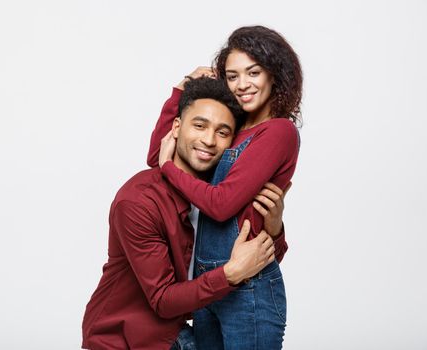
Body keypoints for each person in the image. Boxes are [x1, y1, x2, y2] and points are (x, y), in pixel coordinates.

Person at [82, 77, 287, 350]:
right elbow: (163, 300)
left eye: (223, 132)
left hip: (177, 332)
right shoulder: (139, 201)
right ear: (177, 127)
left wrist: (273, 228)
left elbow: (256, 262)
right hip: (124, 339)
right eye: (199, 125)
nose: (209, 140)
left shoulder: (219, 197)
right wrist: (230, 273)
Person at [149, 26, 302, 349]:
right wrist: (180, 92)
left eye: (253, 72)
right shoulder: (231, 127)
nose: (242, 85)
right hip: (211, 283)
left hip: (249, 286)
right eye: (232, 76)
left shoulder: (278, 131)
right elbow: (158, 158)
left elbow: (221, 204)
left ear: (274, 74)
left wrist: (167, 167)